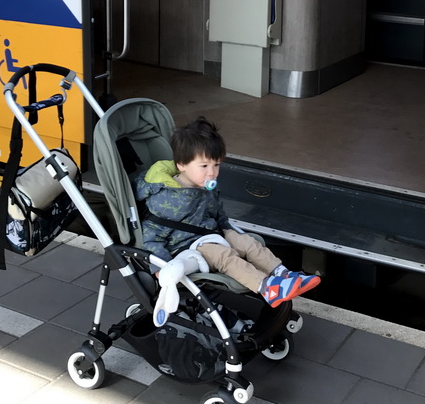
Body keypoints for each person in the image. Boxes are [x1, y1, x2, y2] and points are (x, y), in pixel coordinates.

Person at [133, 116, 321, 307]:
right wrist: (161, 266)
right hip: (185, 248)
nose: (212, 172)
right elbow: (151, 237)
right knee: (224, 256)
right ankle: (267, 288)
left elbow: (215, 211)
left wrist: (226, 229)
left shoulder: (203, 185)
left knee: (248, 243)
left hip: (209, 233)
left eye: (217, 165)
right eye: (204, 166)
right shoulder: (165, 199)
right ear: (181, 165)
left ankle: (282, 274)